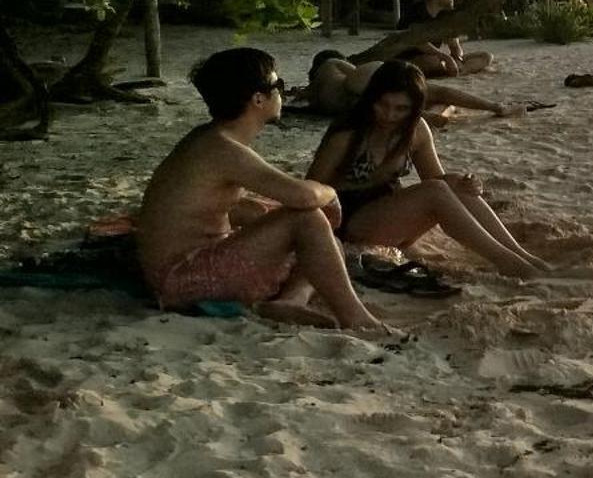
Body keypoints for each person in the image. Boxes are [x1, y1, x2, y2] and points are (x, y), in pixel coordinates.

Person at [136, 48, 393, 335]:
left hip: (179, 269)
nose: (281, 92)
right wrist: (329, 191)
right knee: (307, 219)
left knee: (323, 241)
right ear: (258, 99)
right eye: (278, 85)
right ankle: (355, 317)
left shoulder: (210, 140)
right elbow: (303, 196)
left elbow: (210, 206)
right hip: (182, 278)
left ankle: (290, 300)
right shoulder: (223, 148)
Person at [307, 61, 551, 277]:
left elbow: (437, 178)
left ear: (414, 108)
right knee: (436, 190)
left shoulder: (416, 129)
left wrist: (465, 183)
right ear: (371, 99)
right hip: (350, 220)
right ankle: (509, 263)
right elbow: (310, 190)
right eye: (383, 105)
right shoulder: (349, 135)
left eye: (400, 109)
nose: (389, 115)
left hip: (392, 214)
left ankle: (521, 255)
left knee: (457, 186)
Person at [307, 51, 517, 119]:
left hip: (348, 98)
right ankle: (496, 107)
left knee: (387, 103)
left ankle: (427, 115)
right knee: (436, 91)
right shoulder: (332, 64)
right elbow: (352, 71)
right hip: (362, 80)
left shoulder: (324, 79)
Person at [393, 0, 491, 78]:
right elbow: (419, 42)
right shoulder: (417, 11)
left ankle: (460, 71)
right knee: (432, 61)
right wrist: (446, 58)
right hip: (409, 59)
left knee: (486, 56)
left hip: (437, 58)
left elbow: (454, 44)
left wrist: (457, 58)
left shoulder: (444, 15)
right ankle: (451, 69)